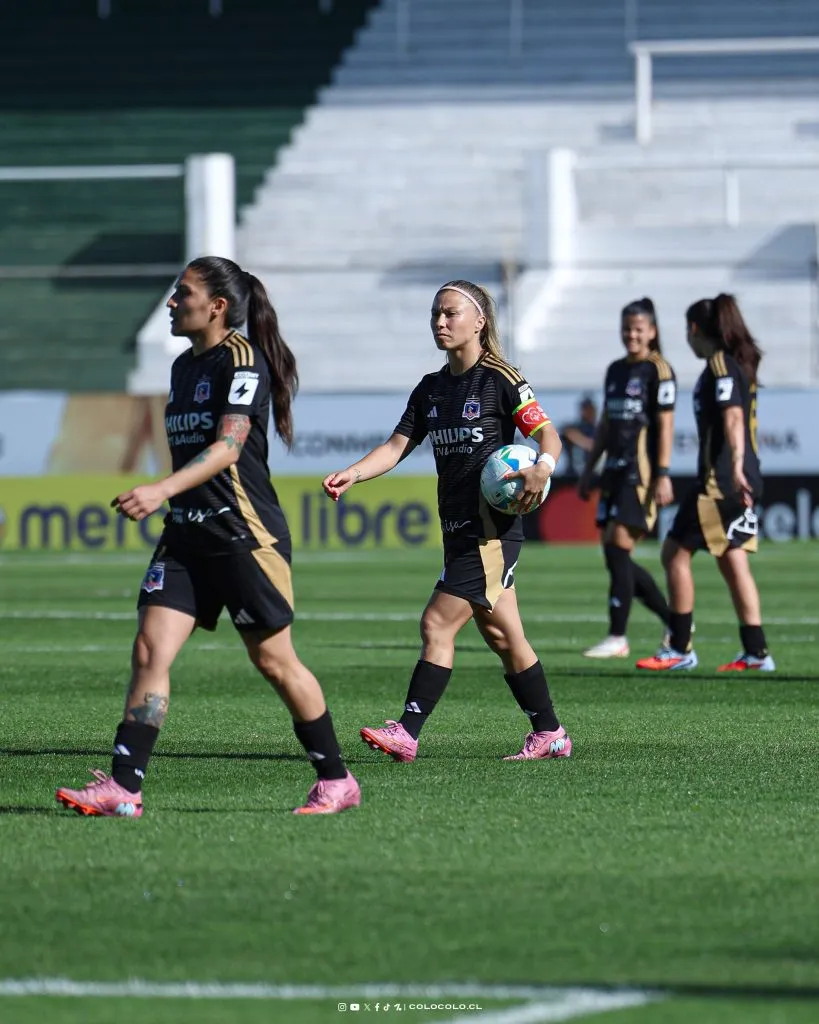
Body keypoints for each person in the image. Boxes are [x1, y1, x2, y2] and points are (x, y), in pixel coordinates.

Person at [55, 256, 360, 817]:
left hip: (243, 536)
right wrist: (173, 502)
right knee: (150, 648)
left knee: (275, 662)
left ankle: (336, 779)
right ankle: (125, 787)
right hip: (186, 540)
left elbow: (228, 448)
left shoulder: (243, 361)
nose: (172, 302)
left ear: (217, 306)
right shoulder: (182, 368)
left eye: (182, 293)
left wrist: (159, 490)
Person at [322, 279, 571, 762]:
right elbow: (397, 446)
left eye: (451, 313)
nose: (440, 321)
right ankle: (550, 733)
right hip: (456, 529)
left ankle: (407, 731)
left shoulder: (501, 377)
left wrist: (542, 467)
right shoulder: (431, 388)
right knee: (503, 635)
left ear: (479, 321)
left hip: (490, 531)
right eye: (436, 313)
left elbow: (548, 435)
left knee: (436, 623)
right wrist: (354, 473)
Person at [636, 294, 775, 672]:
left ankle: (681, 647)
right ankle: (756, 652)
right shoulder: (734, 363)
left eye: (687, 330)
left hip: (722, 480)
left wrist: (738, 469)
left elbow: (733, 418)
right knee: (728, 560)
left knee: (677, 554)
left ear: (695, 329)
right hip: (731, 477)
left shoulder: (720, 365)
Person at [577, 298, 676, 659]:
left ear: (652, 331)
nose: (632, 335)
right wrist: (590, 468)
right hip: (614, 471)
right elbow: (605, 423)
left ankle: (618, 636)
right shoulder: (616, 370)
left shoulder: (659, 370)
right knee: (613, 552)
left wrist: (662, 474)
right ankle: (675, 623)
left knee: (619, 547)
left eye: (639, 329)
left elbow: (665, 426)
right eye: (627, 329)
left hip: (642, 474)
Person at [560, 395, 598, 479]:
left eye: (591, 409)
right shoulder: (575, 427)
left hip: (593, 476)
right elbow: (566, 432)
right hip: (572, 476)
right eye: (586, 409)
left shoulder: (597, 430)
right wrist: (586, 443)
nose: (590, 412)